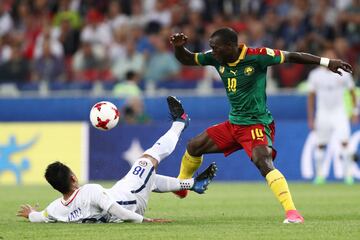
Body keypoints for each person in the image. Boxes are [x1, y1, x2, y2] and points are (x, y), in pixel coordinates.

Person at [169, 27, 353, 224]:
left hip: (256, 124)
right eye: (211, 48)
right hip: (234, 124)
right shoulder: (216, 57)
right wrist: (180, 48)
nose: (212, 52)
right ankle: (182, 185)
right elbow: (188, 59)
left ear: (230, 46)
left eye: (216, 48)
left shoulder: (259, 56)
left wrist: (327, 62)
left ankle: (292, 212)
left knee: (262, 161)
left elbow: (292, 56)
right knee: (193, 146)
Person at [17, 96, 217, 223]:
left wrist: (31, 213)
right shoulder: (90, 191)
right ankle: (180, 123)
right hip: (130, 202)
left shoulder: (55, 209)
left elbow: (38, 216)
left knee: (148, 178)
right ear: (73, 178)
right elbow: (116, 211)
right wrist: (146, 220)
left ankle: (192, 184)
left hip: (120, 192)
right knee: (147, 160)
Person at [307, 48, 358, 185]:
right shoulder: (315, 75)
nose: (329, 57)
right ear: (323, 58)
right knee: (320, 145)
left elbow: (353, 93)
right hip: (322, 113)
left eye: (332, 56)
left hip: (339, 112)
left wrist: (355, 112)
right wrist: (311, 117)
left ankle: (348, 175)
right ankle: (320, 176)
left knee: (345, 143)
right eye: (326, 56)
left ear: (335, 58)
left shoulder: (344, 73)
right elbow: (311, 97)